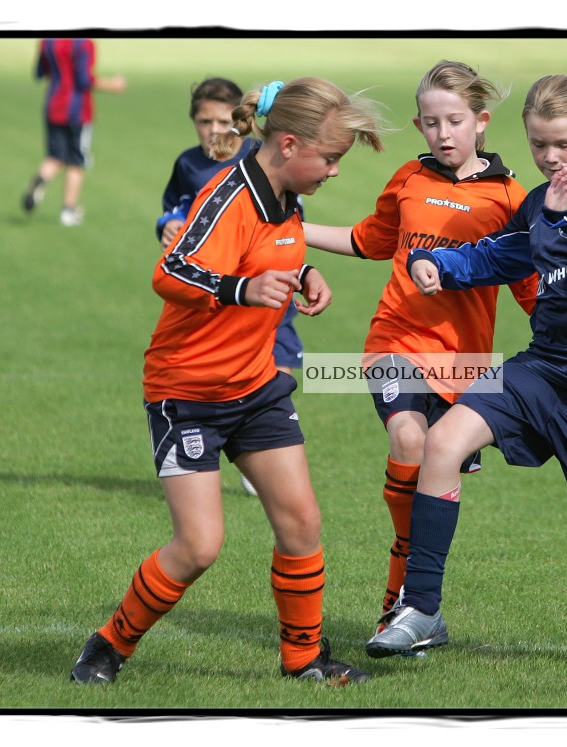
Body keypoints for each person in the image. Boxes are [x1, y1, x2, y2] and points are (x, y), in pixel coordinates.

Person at [70, 77, 386, 686]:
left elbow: (270, 248)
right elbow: (173, 271)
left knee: (301, 523)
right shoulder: (229, 193)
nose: (335, 171)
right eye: (331, 158)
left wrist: (305, 271)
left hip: (255, 387)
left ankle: (305, 660)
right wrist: (241, 289)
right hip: (187, 392)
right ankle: (108, 645)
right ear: (289, 144)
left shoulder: (285, 192)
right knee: (198, 547)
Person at [367, 74, 567, 658]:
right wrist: (438, 263)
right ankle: (422, 610)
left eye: (562, 143)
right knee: (441, 443)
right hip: (542, 368)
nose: (550, 157)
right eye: (539, 145)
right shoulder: (538, 202)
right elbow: (501, 253)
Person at [302, 60, 537, 643]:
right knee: (410, 438)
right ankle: (401, 599)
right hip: (394, 340)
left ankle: (413, 604)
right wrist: (291, 227)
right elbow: (368, 240)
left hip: (463, 365)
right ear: (419, 125)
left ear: (480, 121)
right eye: (431, 123)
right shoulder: (408, 179)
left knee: (433, 460)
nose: (444, 134)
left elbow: (533, 292)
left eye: (455, 121)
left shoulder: (511, 199)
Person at [156, 76, 304, 496]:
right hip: (221, 292)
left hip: (270, 289)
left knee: (279, 360)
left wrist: (303, 269)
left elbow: (288, 221)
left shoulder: (263, 159)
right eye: (204, 121)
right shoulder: (189, 164)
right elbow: (175, 211)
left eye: (223, 120)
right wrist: (166, 224)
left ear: (242, 120)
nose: (214, 130)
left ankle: (262, 448)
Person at [21, 38, 127, 226]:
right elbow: (84, 79)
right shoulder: (83, 43)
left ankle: (41, 180)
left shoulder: (48, 41)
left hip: (53, 104)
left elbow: (39, 73)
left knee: (54, 156)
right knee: (76, 161)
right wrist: (112, 84)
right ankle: (69, 211)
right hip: (77, 110)